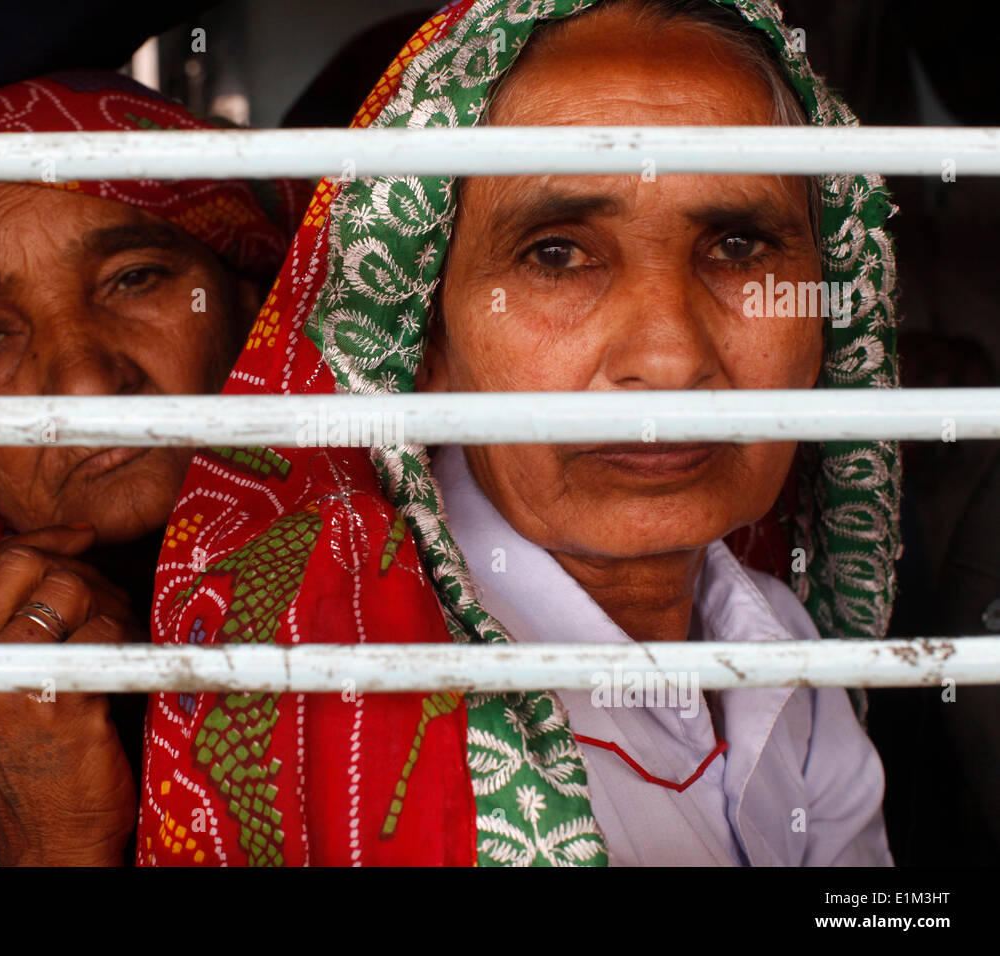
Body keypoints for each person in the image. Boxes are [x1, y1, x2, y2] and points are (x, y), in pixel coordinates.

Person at [136, 0, 898, 866]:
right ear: (425, 340)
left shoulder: (775, 638)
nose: (671, 358)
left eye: (738, 245)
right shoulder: (343, 701)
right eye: (556, 254)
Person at [0, 69, 308, 866]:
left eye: (135, 279)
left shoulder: (457, 569)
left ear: (249, 297)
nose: (85, 381)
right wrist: (53, 834)